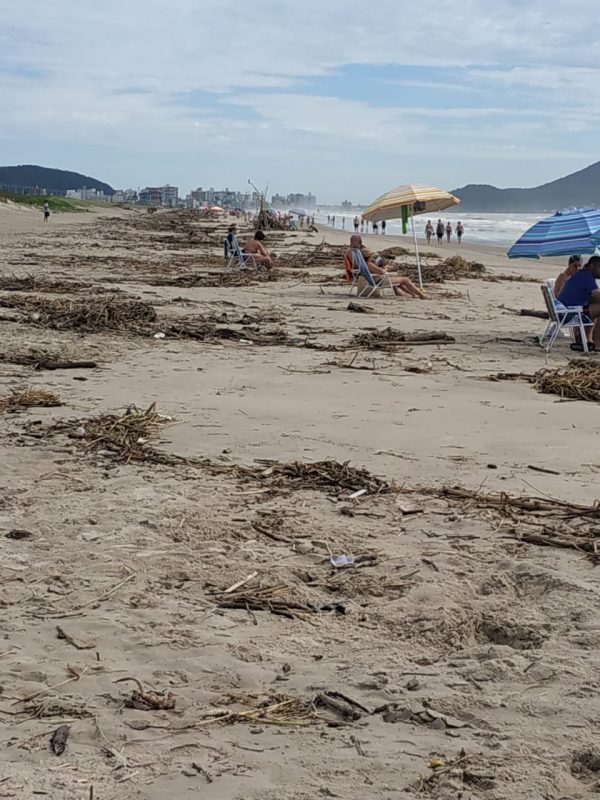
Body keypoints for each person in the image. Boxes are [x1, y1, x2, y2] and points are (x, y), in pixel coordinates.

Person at [346, 234, 426, 299]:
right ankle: (422, 295)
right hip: (378, 281)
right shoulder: (369, 265)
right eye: (371, 255)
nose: (373, 256)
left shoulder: (365, 263)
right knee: (405, 279)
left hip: (375, 279)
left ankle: (413, 294)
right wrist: (385, 268)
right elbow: (382, 272)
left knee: (399, 278)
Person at [557, 255, 600, 350]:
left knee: (595, 308)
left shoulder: (582, 274)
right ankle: (597, 344)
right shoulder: (586, 276)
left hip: (564, 311)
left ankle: (587, 340)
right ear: (592, 266)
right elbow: (596, 294)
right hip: (569, 313)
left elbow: (593, 296)